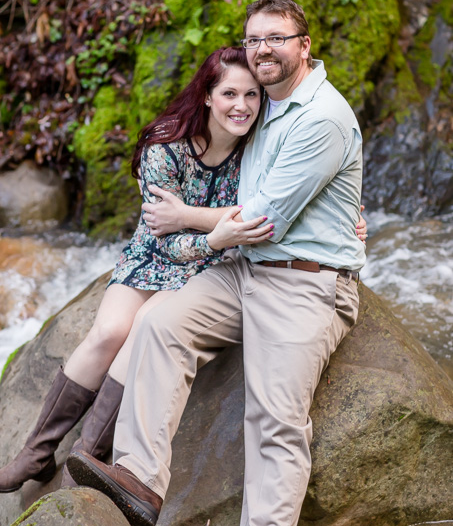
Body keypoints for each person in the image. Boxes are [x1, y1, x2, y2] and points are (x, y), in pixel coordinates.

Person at [67, 0, 367, 526]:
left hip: (304, 282)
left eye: (275, 38)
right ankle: (139, 475)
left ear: (305, 46)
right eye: (254, 39)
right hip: (243, 270)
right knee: (159, 325)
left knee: (274, 425)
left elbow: (263, 219)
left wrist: (182, 214)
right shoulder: (265, 102)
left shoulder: (322, 117)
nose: (262, 49)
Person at [0, 46, 276, 493]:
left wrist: (347, 215)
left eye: (252, 95)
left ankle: (88, 456)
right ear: (207, 95)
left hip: (210, 266)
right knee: (109, 331)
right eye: (229, 93)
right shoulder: (165, 147)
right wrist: (211, 233)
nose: (241, 106)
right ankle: (36, 452)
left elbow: (283, 201)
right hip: (158, 253)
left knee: (146, 330)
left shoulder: (260, 146)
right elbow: (163, 236)